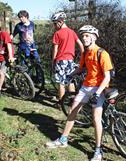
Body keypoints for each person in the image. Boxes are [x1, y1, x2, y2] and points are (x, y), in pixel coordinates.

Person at [46, 25, 113, 161]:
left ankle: (98, 151)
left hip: (98, 88)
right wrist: (70, 75)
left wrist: (97, 92)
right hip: (85, 87)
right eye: (83, 36)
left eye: (87, 35)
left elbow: (107, 77)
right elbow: (81, 68)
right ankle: (63, 139)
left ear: (94, 37)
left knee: (96, 119)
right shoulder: (85, 53)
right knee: (72, 111)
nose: (84, 38)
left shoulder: (102, 53)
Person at [50, 11, 84, 106]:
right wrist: (83, 56)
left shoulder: (57, 34)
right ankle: (73, 102)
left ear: (60, 22)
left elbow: (55, 49)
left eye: (55, 23)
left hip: (61, 60)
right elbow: (81, 45)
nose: (54, 26)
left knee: (61, 83)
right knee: (70, 81)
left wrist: (53, 61)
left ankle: (61, 103)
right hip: (70, 60)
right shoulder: (72, 32)